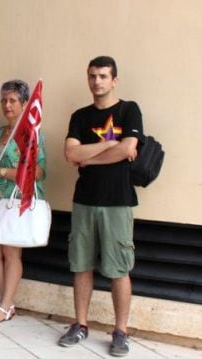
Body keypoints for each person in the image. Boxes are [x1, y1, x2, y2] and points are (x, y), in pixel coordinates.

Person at [58, 56, 142, 357]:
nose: (97, 81)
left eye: (104, 76)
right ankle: (80, 324)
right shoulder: (80, 116)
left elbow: (128, 148)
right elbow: (70, 152)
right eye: (93, 76)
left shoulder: (129, 110)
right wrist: (110, 146)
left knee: (119, 268)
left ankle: (121, 331)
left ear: (114, 80)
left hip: (118, 201)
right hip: (84, 200)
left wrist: (88, 157)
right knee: (81, 265)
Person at [0, 80, 46, 323]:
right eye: (4, 100)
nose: (7, 105)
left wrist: (4, 173)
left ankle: (5, 305)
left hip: (16, 201)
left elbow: (39, 172)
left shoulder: (30, 134)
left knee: (11, 254)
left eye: (13, 101)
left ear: (24, 104)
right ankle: (7, 303)